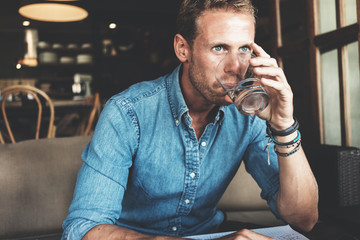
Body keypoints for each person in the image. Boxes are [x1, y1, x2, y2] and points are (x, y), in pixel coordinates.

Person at [62, 0, 319, 239]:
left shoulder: (247, 117)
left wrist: (283, 125)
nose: (235, 67)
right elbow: (83, 228)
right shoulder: (127, 112)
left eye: (243, 49)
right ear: (183, 49)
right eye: (219, 48)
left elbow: (304, 219)